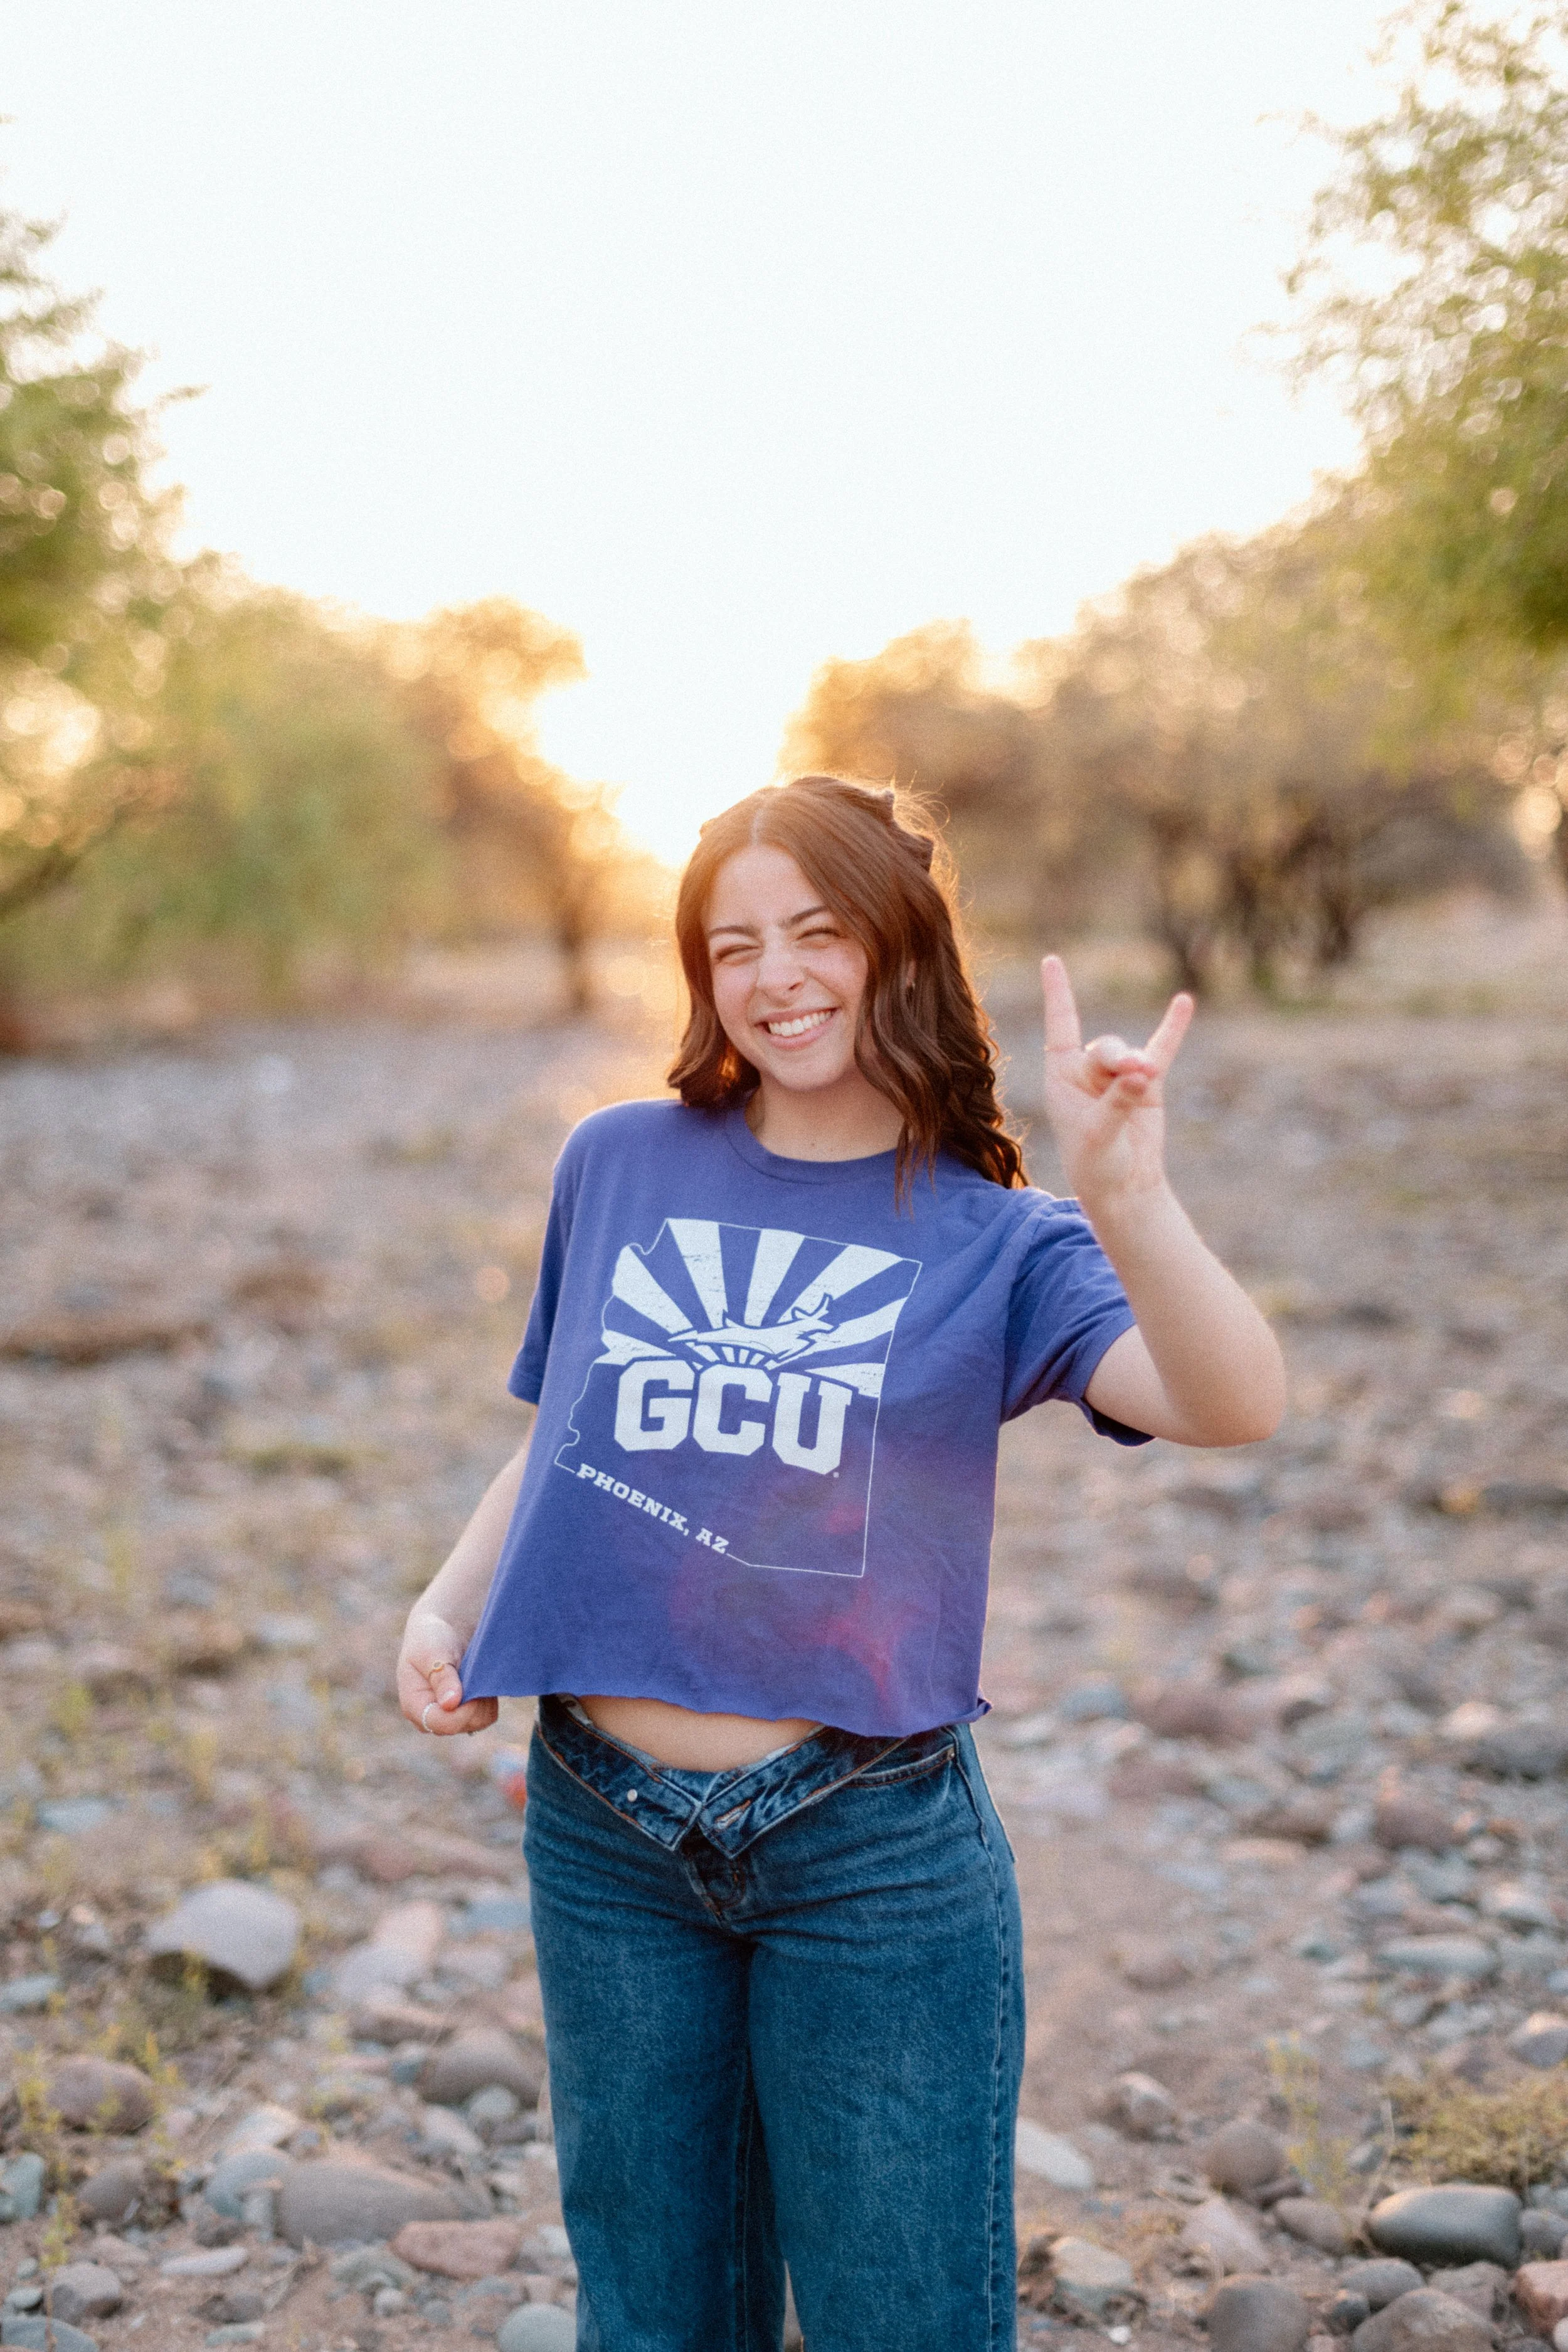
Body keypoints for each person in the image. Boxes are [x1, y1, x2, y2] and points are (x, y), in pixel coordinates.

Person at [396, 773, 1285, 2352]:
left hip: (864, 1849)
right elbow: (562, 1432)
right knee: (654, 2315)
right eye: (732, 945)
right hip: (601, 1837)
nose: (774, 975)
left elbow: (1228, 1403)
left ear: (898, 948)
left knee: (901, 2320)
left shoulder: (999, 1240)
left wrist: (1128, 1195)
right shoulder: (616, 1159)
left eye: (816, 931)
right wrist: (448, 1601)